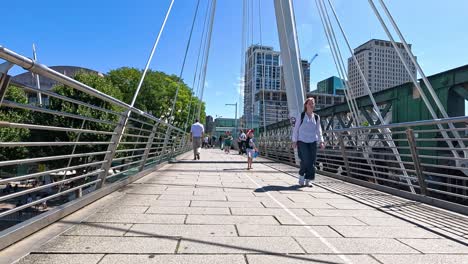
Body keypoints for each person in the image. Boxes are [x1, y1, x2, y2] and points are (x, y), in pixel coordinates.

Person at [292, 97, 325, 187]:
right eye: (309, 103)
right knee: (306, 159)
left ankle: (308, 179)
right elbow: (296, 129)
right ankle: (302, 175)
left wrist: (321, 141)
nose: (311, 105)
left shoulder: (317, 117)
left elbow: (319, 130)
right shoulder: (301, 115)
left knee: (312, 161)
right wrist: (294, 141)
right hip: (302, 140)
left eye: (313, 103)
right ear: (306, 105)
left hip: (312, 141)